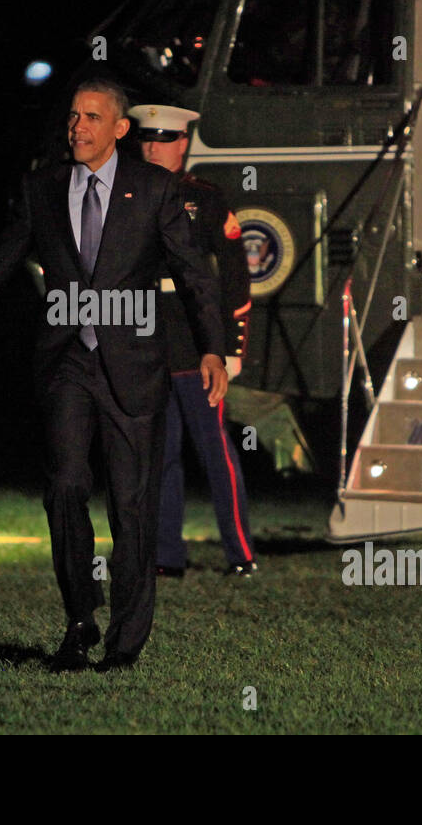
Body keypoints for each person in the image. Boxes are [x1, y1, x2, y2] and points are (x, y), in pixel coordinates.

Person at [0, 79, 228, 672]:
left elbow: (195, 274)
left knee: (132, 506)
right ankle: (81, 615)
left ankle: (125, 641)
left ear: (119, 129)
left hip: (135, 367)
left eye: (92, 117)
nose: (77, 127)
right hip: (67, 361)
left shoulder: (157, 188)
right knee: (64, 485)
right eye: (72, 117)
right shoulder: (40, 190)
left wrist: (214, 348)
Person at [128, 104, 257, 579]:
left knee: (214, 450)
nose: (152, 147)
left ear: (183, 143)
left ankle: (240, 551)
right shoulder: (126, 194)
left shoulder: (203, 200)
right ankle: (167, 555)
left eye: (163, 139)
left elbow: (235, 277)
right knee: (160, 455)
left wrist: (230, 348)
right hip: (148, 343)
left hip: (198, 344)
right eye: (146, 139)